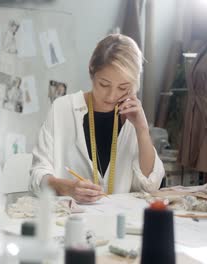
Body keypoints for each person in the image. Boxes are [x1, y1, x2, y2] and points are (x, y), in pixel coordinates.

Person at [30, 34, 164, 203]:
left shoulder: (132, 117)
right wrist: (66, 188)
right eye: (104, 85)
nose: (111, 96)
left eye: (123, 87)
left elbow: (150, 186)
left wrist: (142, 130)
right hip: (70, 220)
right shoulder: (62, 109)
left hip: (119, 221)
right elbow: (37, 175)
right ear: (91, 71)